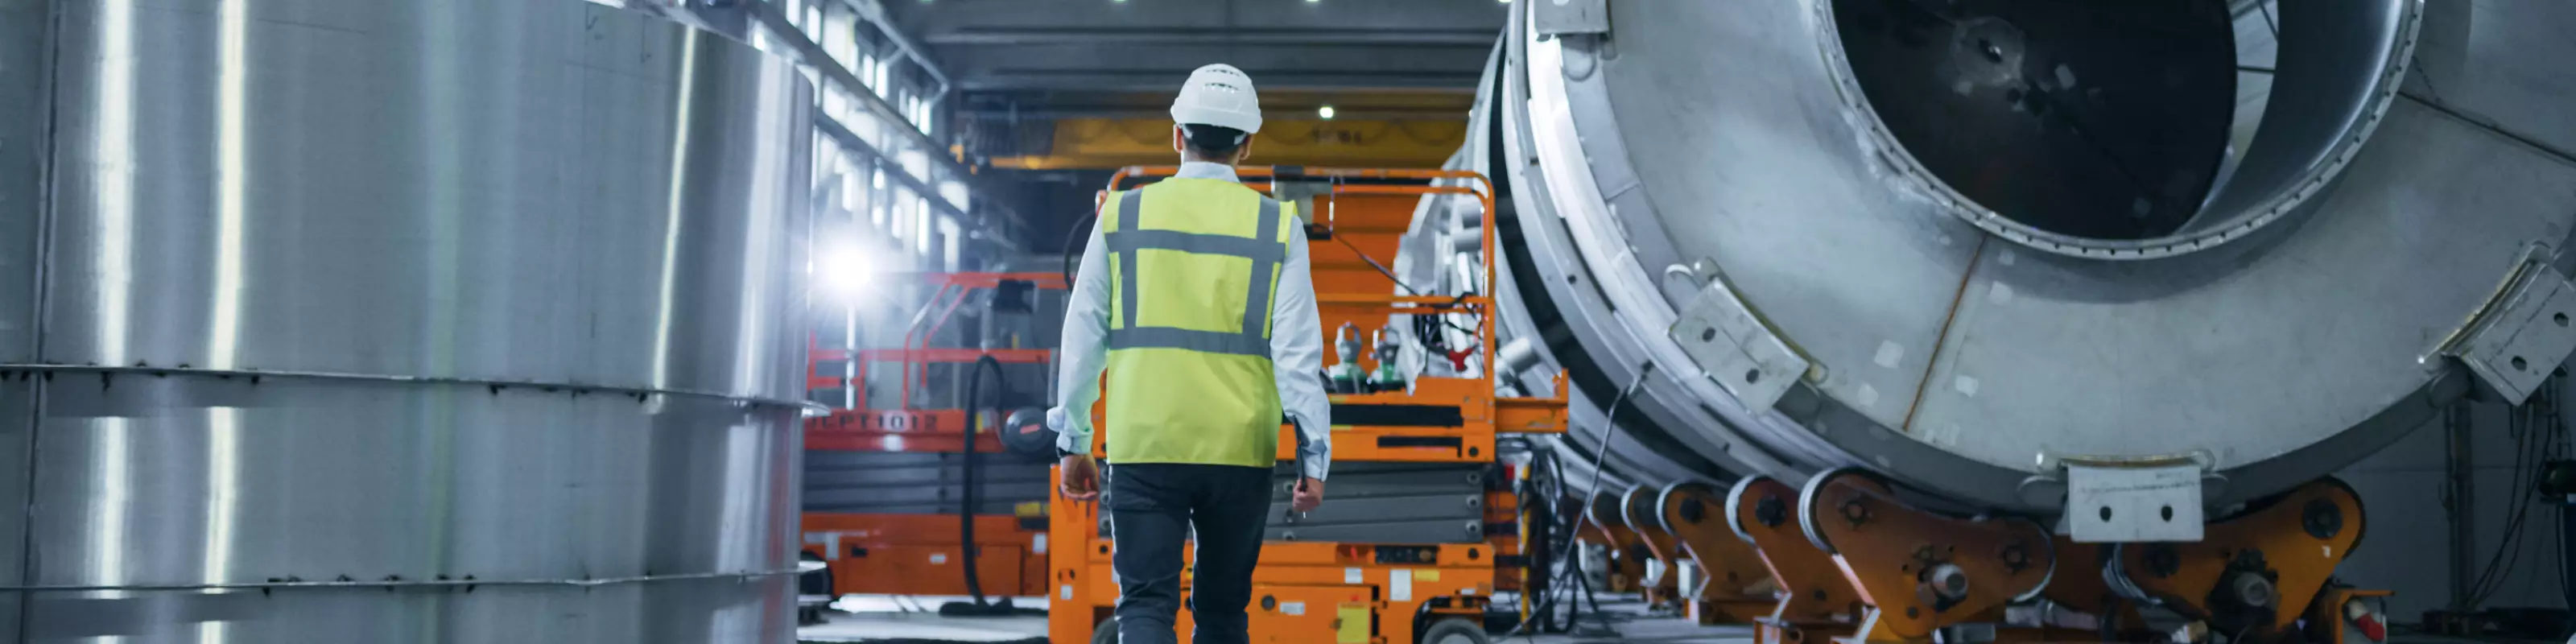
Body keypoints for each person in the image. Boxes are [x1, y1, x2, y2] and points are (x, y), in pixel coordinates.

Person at [1048, 63, 1331, 644]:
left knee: (1146, 605)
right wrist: (1314, 458)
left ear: (1176, 135)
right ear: (1247, 146)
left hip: (1145, 442)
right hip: (1239, 448)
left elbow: (1083, 336)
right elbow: (1299, 355)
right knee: (1224, 614)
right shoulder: (1279, 226)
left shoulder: (1121, 213)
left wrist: (1073, 441)